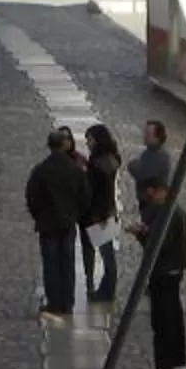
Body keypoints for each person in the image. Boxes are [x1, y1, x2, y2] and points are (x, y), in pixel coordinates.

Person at [24, 126, 87, 322]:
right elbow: (85, 196)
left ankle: (54, 302)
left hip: (47, 224)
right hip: (68, 223)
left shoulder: (41, 170)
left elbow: (31, 197)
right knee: (67, 263)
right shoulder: (75, 169)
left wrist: (39, 216)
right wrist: (76, 214)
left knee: (51, 264)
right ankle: (68, 302)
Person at [134, 171, 186, 369]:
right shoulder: (176, 211)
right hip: (175, 270)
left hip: (164, 271)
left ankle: (163, 367)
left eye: (152, 193)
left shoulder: (166, 213)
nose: (150, 197)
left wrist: (141, 233)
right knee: (174, 317)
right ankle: (178, 361)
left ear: (158, 192)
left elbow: (157, 246)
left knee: (162, 319)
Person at [81, 123, 125, 304]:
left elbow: (99, 191)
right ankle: (105, 290)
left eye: (89, 140)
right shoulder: (109, 159)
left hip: (100, 214)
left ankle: (107, 292)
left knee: (107, 256)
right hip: (107, 212)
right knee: (108, 255)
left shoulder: (99, 164)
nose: (88, 143)